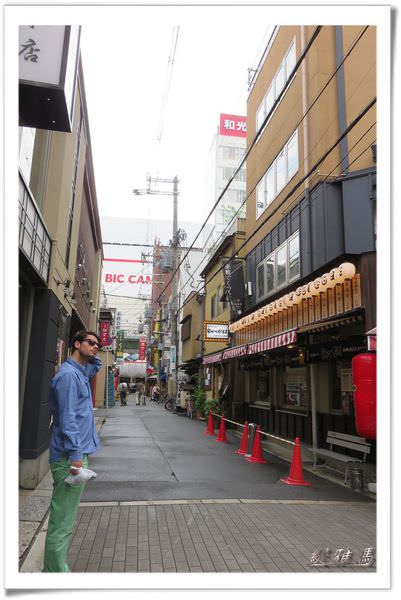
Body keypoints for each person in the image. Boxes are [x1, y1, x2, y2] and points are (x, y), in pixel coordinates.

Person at [43, 330, 102, 572]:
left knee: (65, 516)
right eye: (90, 343)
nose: (96, 347)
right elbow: (67, 419)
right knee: (63, 519)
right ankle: (55, 573)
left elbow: (95, 365)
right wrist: (77, 456)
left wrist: (89, 352)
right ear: (76, 344)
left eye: (98, 344)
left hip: (74, 454)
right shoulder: (69, 376)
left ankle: (54, 569)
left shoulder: (80, 372)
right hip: (70, 456)